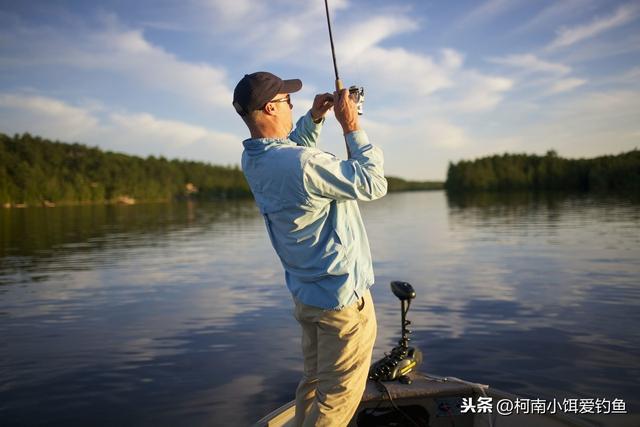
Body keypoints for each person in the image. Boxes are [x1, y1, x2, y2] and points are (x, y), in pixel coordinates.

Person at [233, 71, 387, 426]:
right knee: (335, 402)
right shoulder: (302, 165)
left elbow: (292, 150)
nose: (293, 106)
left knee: (314, 384)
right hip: (341, 304)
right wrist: (351, 125)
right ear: (271, 107)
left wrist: (315, 119)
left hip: (308, 298)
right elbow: (372, 183)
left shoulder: (255, 160)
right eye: (288, 101)